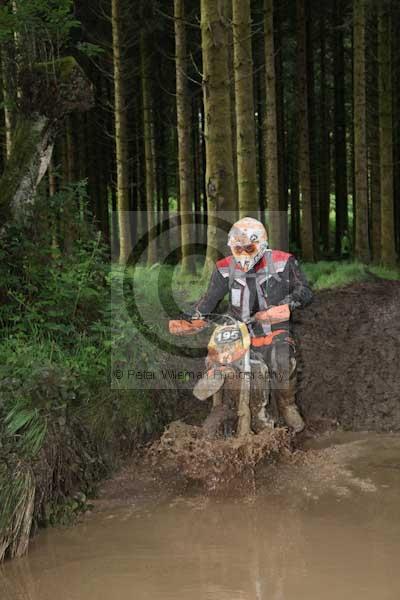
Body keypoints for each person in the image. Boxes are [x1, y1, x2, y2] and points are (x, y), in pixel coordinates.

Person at [190, 217, 313, 433]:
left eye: (249, 247)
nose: (243, 252)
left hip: (275, 330)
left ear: (262, 245)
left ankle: (287, 405)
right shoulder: (224, 269)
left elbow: (305, 291)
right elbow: (208, 301)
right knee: (216, 356)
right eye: (238, 247)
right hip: (238, 331)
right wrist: (195, 318)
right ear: (231, 246)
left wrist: (287, 305)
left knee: (282, 363)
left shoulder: (284, 262)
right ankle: (219, 396)